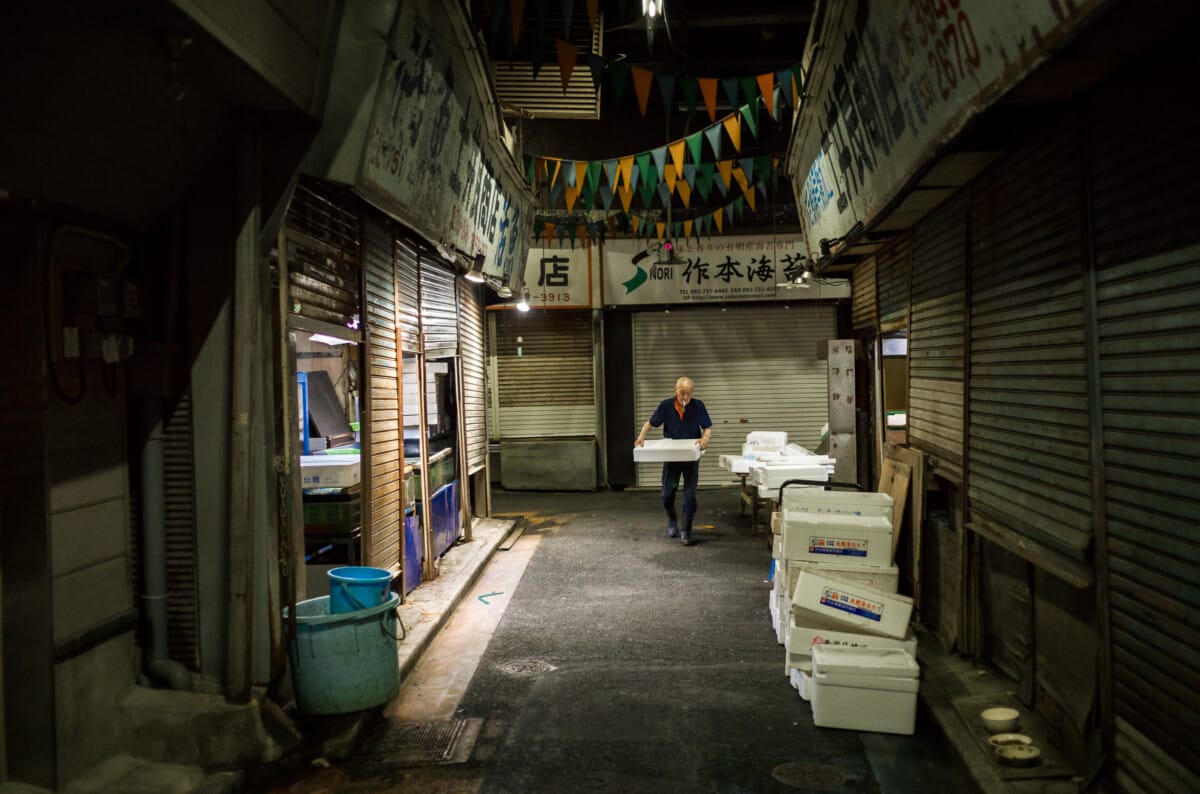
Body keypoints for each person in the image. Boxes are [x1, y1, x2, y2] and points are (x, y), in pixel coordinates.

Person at [634, 376, 712, 545]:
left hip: (691, 456)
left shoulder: (698, 406)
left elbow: (707, 427)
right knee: (667, 494)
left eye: (688, 393)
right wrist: (641, 437)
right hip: (672, 457)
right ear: (675, 390)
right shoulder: (666, 406)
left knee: (689, 495)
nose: (685, 397)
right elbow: (650, 423)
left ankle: (686, 530)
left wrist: (705, 438)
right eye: (682, 393)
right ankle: (672, 519)